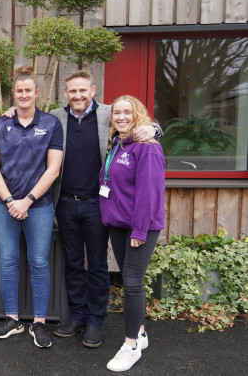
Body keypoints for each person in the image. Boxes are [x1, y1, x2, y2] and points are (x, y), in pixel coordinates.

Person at [48, 71, 156, 347]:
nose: (78, 96)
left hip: (98, 204)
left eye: (83, 90)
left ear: (93, 90)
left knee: (97, 265)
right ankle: (77, 317)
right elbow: (31, 119)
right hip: (66, 203)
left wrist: (155, 129)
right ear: (65, 93)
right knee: (73, 264)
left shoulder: (109, 113)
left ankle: (96, 320)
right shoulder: (56, 116)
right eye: (73, 91)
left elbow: (139, 120)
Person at [0, 66, 63, 348]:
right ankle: (13, 319)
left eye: (28, 90)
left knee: (39, 262)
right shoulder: (0, 124)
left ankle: (39, 323)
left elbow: (53, 169)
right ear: (13, 94)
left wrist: (27, 200)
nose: (23, 95)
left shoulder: (51, 124)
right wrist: (9, 201)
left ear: (37, 93)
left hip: (39, 206)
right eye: (19, 91)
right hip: (3, 205)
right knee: (8, 261)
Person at [100, 95, 165, 372]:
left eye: (127, 112)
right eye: (117, 113)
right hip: (118, 223)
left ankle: (131, 345)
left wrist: (140, 229)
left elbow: (150, 193)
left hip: (140, 226)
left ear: (138, 114)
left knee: (133, 282)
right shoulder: (118, 142)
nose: (122, 117)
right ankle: (140, 332)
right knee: (130, 281)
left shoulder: (147, 147)